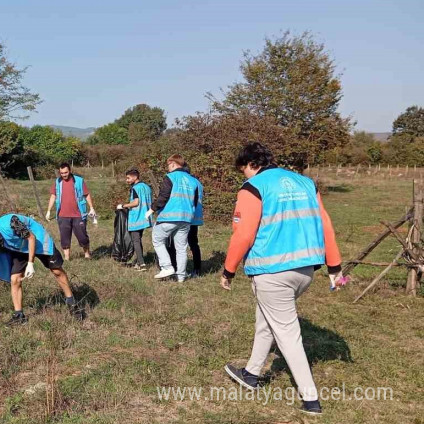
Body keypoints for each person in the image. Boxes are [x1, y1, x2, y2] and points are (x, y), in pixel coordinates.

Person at [220, 143, 344, 416]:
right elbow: (326, 223)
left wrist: (228, 270)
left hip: (272, 272)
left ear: (251, 164)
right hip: (306, 270)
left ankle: (311, 400)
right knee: (266, 320)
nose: (245, 176)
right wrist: (334, 266)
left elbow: (243, 235)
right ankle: (251, 374)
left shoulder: (253, 187)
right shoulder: (306, 183)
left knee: (287, 334)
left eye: (244, 171)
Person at [0, 213, 86, 326]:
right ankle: (19, 316)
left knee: (57, 271)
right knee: (15, 279)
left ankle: (72, 304)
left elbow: (31, 238)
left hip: (37, 239)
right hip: (19, 247)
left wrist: (30, 263)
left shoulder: (12, 223)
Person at [147, 154, 199, 282]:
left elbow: (163, 196)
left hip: (169, 217)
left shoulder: (170, 177)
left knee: (157, 240)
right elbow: (195, 202)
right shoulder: (193, 180)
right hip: (186, 219)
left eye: (168, 165)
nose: (168, 168)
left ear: (173, 163)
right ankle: (181, 276)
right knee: (181, 248)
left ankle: (167, 267)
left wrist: (152, 209)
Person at [47, 163, 97, 260]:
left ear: (70, 170)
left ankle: (87, 254)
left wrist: (91, 207)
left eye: (65, 172)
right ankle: (67, 257)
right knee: (64, 237)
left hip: (78, 214)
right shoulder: (57, 182)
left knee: (82, 236)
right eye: (61, 173)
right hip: (62, 215)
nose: (64, 175)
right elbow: (53, 196)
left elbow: (86, 194)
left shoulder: (79, 180)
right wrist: (48, 210)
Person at [166, 165, 204, 277]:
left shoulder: (186, 181)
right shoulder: (198, 182)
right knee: (193, 244)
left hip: (184, 217)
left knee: (175, 244)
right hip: (195, 218)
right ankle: (197, 269)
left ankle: (176, 268)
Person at [117, 168, 152, 270]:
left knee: (136, 240)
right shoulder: (146, 187)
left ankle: (141, 264)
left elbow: (136, 202)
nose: (126, 180)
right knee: (138, 239)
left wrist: (123, 205)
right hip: (145, 217)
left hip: (136, 218)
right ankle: (138, 262)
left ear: (135, 177)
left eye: (128, 178)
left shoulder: (135, 188)